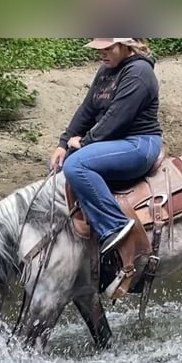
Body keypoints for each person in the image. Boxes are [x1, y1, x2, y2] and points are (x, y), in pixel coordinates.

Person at [50, 38, 163, 255]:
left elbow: (116, 119)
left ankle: (116, 226)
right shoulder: (105, 71)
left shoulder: (139, 72)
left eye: (108, 48)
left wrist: (83, 143)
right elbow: (87, 110)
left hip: (139, 143)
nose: (102, 53)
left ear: (126, 44)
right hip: (112, 140)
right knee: (60, 165)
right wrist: (63, 144)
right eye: (98, 49)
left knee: (76, 166)